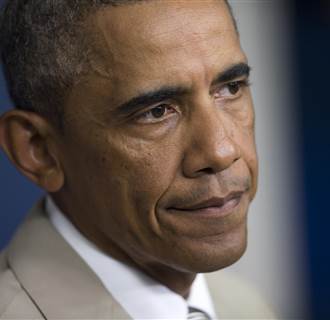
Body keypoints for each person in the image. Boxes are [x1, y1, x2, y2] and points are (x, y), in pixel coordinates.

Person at [0, 0, 275, 319]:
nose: (222, 152)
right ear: (39, 151)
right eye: (156, 111)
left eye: (230, 88)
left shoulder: (246, 306)